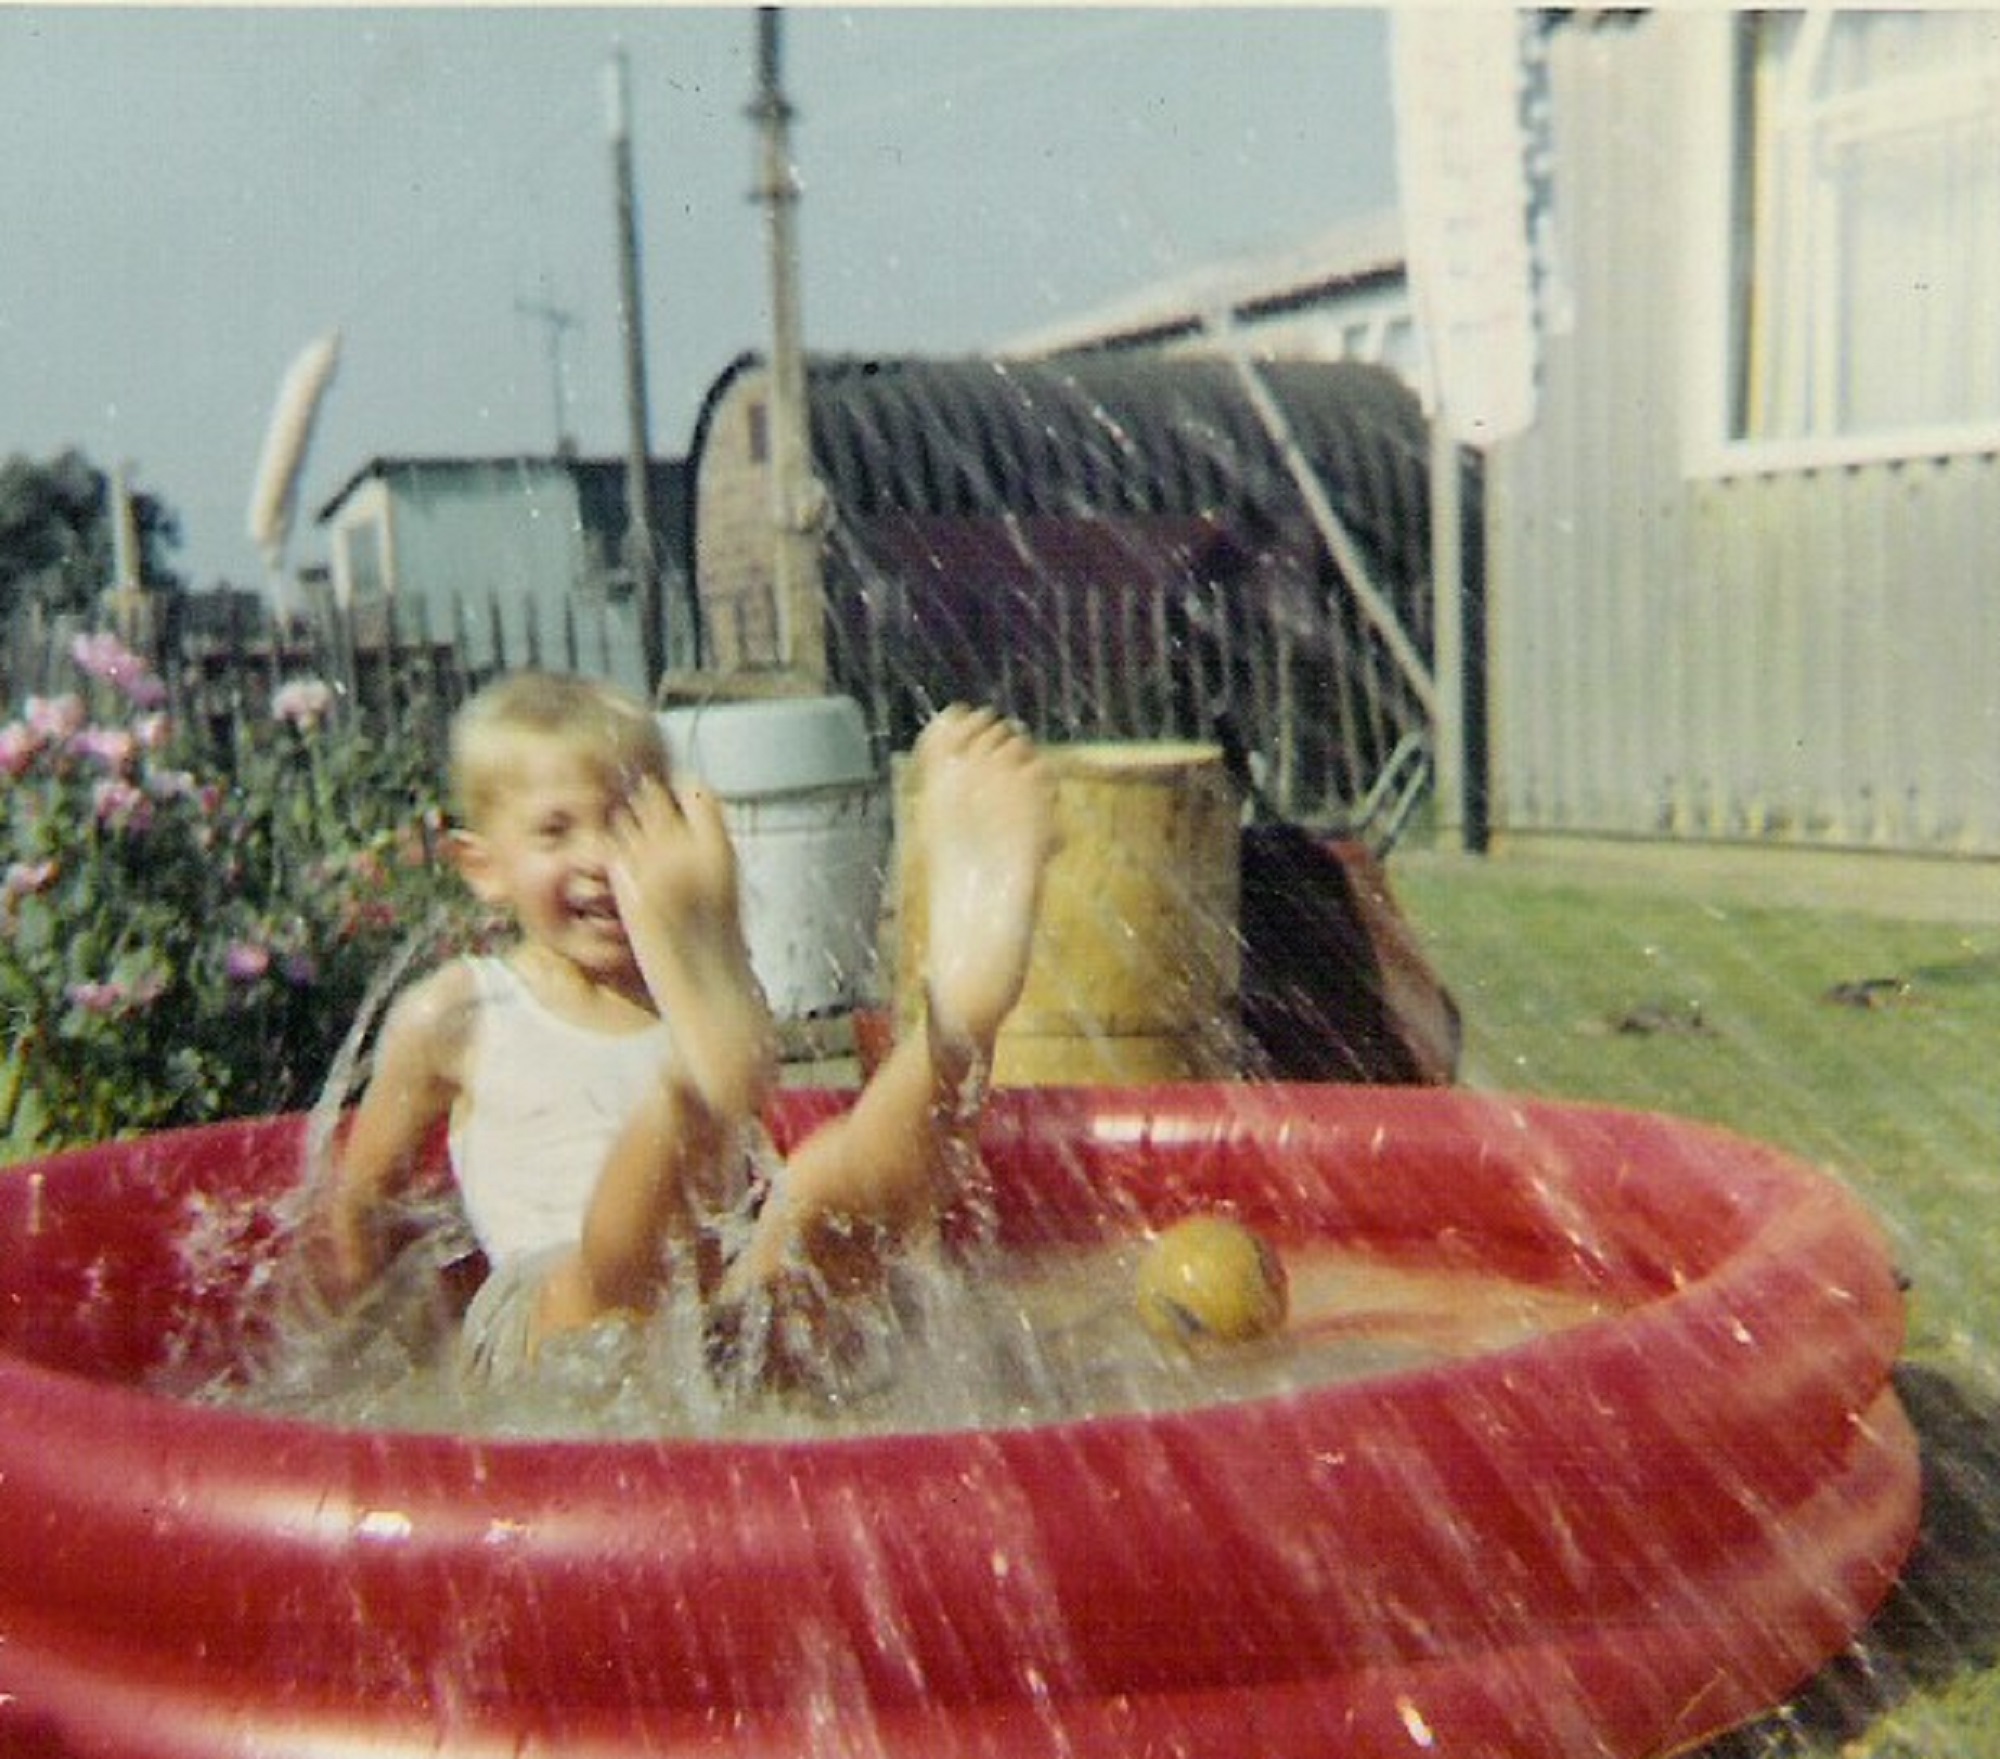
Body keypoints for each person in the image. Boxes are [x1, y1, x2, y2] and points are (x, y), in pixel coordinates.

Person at [315, 669, 1056, 1386]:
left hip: (717, 1295)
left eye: (628, 821)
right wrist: (377, 1345)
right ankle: (696, 1087)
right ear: (483, 866)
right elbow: (363, 1199)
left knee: (827, 1206)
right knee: (614, 1271)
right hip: (551, 1306)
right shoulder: (461, 1009)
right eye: (555, 831)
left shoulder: (685, 986)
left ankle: (961, 1012)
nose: (599, 859)